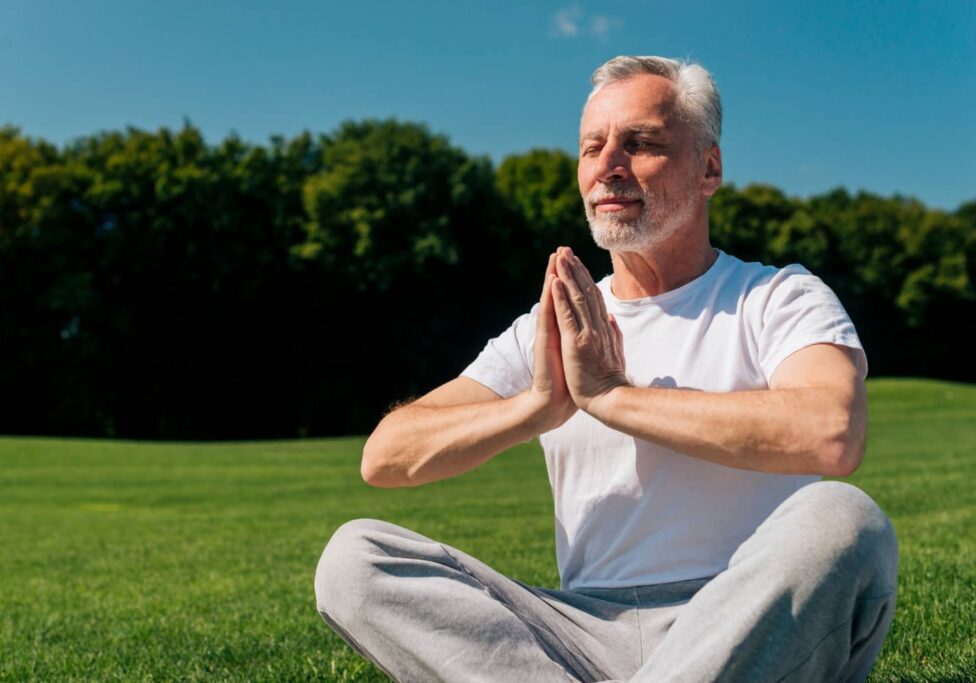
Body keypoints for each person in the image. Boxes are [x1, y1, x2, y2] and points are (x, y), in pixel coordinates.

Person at [314, 55, 899, 682]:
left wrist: (613, 397)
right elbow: (387, 457)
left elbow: (830, 431)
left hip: (749, 619)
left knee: (844, 519)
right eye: (592, 147)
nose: (608, 166)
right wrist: (537, 407)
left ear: (709, 168)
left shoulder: (778, 297)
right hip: (584, 634)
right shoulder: (556, 324)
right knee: (355, 558)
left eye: (640, 143)